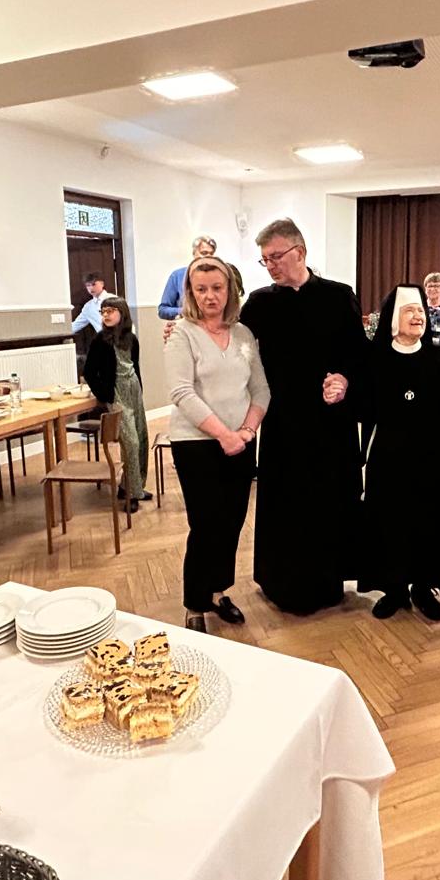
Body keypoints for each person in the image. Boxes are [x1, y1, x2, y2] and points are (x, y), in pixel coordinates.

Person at [239, 219, 368, 614]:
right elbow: (231, 348)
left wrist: (344, 379)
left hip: (330, 423)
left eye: (276, 256)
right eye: (264, 260)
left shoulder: (339, 296)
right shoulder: (259, 303)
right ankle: (281, 583)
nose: (270, 265)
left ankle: (328, 581)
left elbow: (358, 354)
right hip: (283, 423)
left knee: (329, 501)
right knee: (286, 504)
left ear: (300, 251)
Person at [165, 256, 269, 629]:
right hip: (196, 443)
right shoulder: (182, 334)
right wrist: (225, 435)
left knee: (232, 522)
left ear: (230, 290)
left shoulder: (242, 334)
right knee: (206, 524)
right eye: (201, 289)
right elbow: (181, 392)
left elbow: (260, 389)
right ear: (191, 293)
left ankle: (219, 591)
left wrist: (247, 431)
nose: (210, 296)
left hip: (241, 441)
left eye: (217, 288)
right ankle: (195, 603)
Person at [361, 285, 440, 621]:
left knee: (429, 523)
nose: (418, 316)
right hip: (389, 456)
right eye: (410, 310)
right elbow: (364, 407)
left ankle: (423, 588)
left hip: (433, 458)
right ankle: (394, 589)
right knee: (390, 521)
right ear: (394, 317)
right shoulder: (375, 358)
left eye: (421, 310)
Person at [85, 296, 149, 506]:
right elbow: (89, 372)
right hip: (116, 393)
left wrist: (140, 389)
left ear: (122, 313)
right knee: (130, 442)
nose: (106, 315)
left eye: (110, 311)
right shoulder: (100, 340)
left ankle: (132, 486)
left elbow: (135, 365)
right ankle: (132, 494)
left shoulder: (132, 339)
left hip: (134, 390)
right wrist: (104, 396)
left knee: (141, 438)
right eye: (103, 311)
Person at [159, 236, 242, 319]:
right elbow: (163, 310)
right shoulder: (177, 276)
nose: (208, 257)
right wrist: (187, 311)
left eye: (211, 254)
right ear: (194, 253)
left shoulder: (220, 275)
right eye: (204, 253)